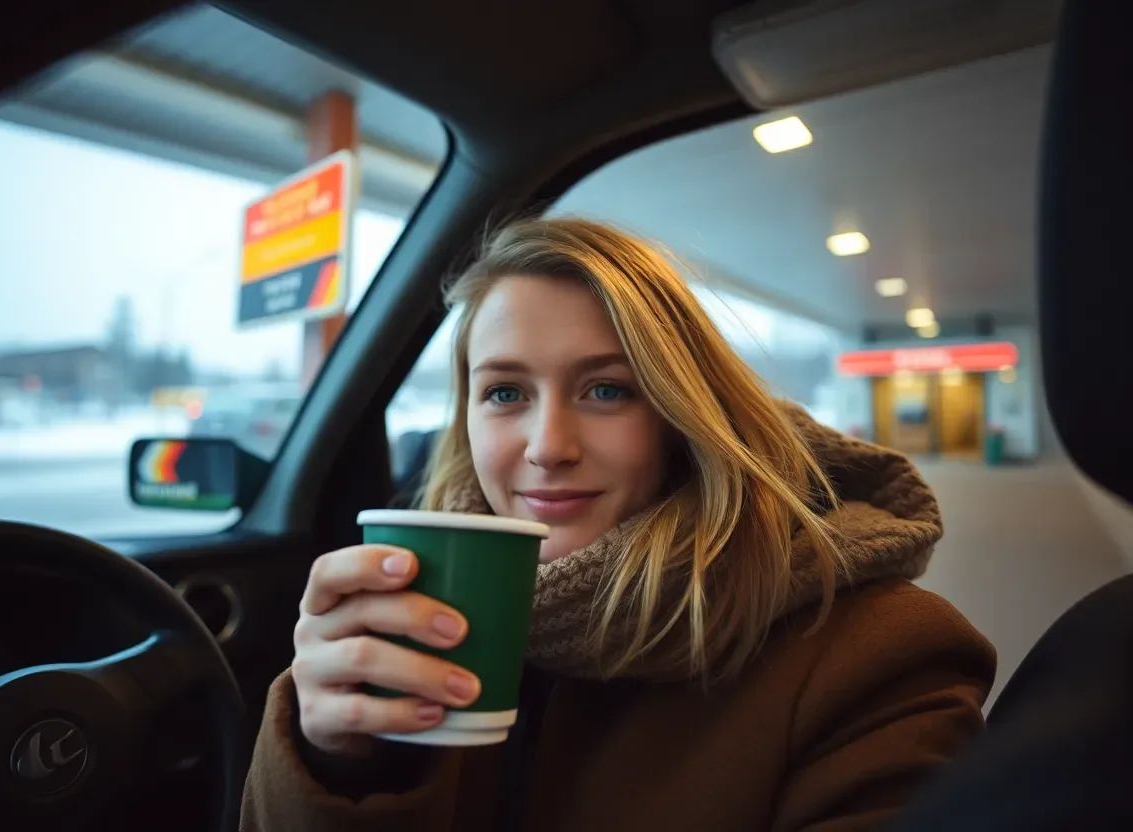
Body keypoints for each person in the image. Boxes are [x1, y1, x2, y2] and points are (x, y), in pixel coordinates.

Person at [240, 218, 996, 831]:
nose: (548, 448)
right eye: (505, 393)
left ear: (681, 415)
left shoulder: (880, 653)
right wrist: (337, 763)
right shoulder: (414, 618)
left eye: (606, 390)